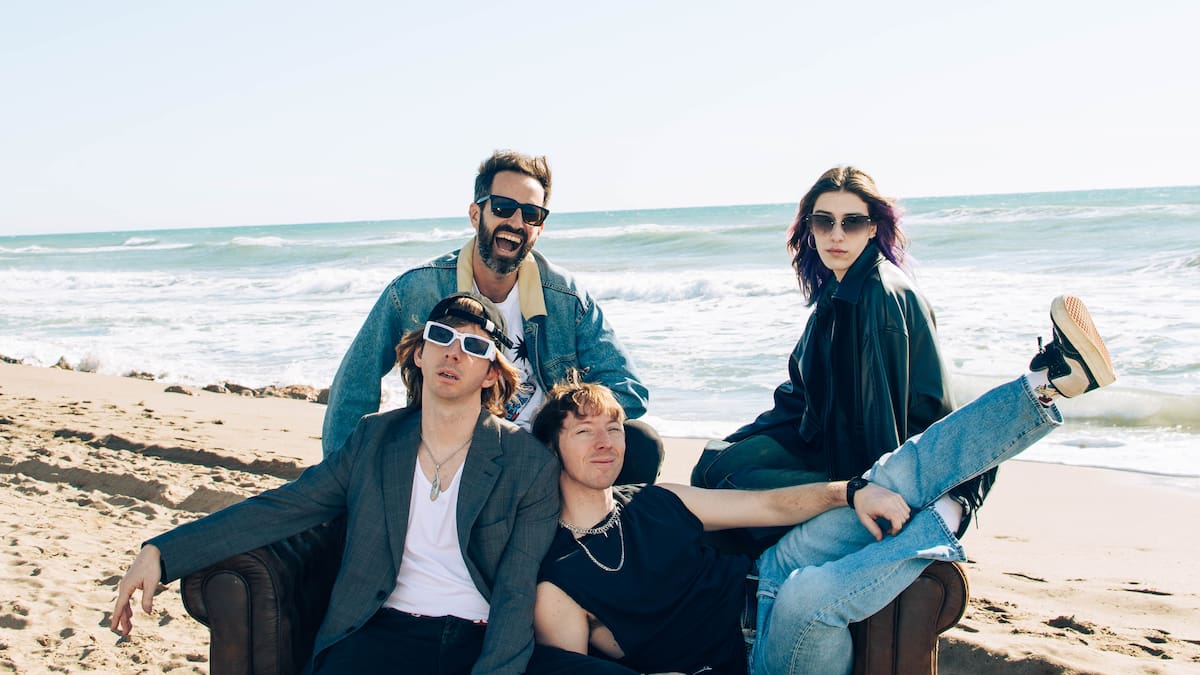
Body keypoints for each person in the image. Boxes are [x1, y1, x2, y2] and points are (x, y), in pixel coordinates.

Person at [528, 295, 1115, 675]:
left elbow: (769, 504)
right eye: (585, 431)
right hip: (759, 658)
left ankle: (1047, 382)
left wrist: (851, 491)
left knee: (884, 479)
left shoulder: (655, 502)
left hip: (765, 582)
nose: (607, 441)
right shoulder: (557, 582)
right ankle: (948, 519)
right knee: (810, 596)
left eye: (614, 426)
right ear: (554, 447)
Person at [111, 292, 561, 674]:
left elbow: (515, 593)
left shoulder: (528, 465)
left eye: (473, 346)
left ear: (492, 374)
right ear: (419, 354)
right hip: (374, 631)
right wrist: (164, 552)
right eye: (440, 337)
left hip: (470, 639)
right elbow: (284, 507)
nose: (453, 353)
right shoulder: (374, 440)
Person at [692, 166, 991, 555]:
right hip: (824, 439)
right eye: (824, 221)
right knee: (715, 465)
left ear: (872, 228)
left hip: (872, 462)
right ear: (810, 228)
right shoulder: (841, 287)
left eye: (852, 222)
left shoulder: (875, 296)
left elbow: (881, 419)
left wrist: (864, 492)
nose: (836, 234)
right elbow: (808, 394)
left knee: (723, 483)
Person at [323, 149, 662, 485]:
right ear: (475, 214)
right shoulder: (416, 289)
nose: (515, 223)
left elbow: (628, 390)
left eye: (531, 214)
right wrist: (342, 481)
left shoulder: (566, 297)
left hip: (547, 457)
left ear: (540, 227)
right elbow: (355, 384)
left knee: (643, 445)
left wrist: (561, 429)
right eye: (502, 208)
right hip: (454, 452)